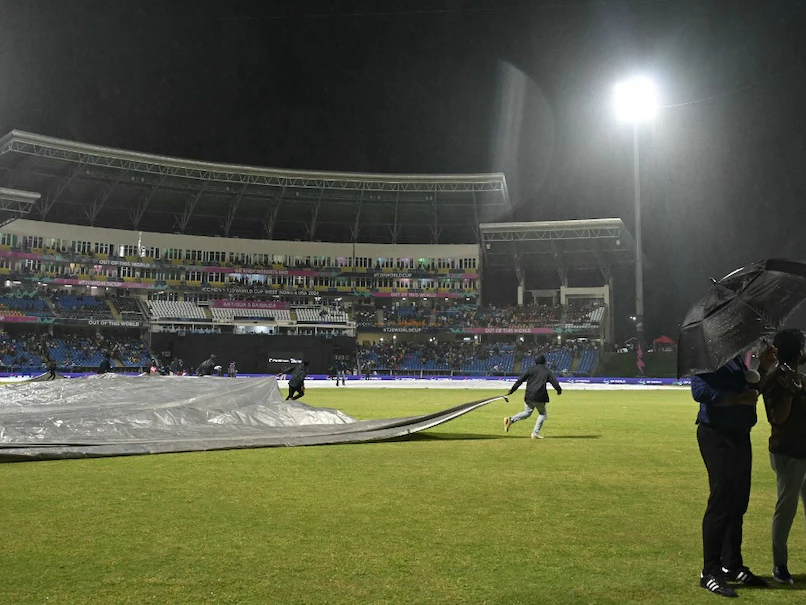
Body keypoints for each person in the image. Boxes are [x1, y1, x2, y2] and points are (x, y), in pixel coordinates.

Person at [693, 344, 777, 597]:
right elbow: (699, 391)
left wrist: (762, 367)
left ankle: (732, 564)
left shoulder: (735, 359)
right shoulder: (708, 357)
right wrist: (737, 399)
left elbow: (749, 391)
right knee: (721, 501)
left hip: (739, 434)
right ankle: (710, 571)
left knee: (738, 501)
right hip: (717, 435)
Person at [762, 329, 806, 586]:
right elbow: (777, 418)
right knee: (786, 509)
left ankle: (781, 564)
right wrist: (791, 391)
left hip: (802, 449)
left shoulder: (796, 374)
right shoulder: (777, 378)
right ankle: (780, 565)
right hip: (788, 451)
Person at [503, 353, 562, 439]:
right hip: (540, 396)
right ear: (544, 362)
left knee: (527, 413)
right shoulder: (547, 371)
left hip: (529, 396)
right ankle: (535, 433)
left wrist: (512, 390)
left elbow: (520, 380)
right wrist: (559, 390)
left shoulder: (530, 369)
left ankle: (511, 420)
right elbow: (555, 382)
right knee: (542, 414)